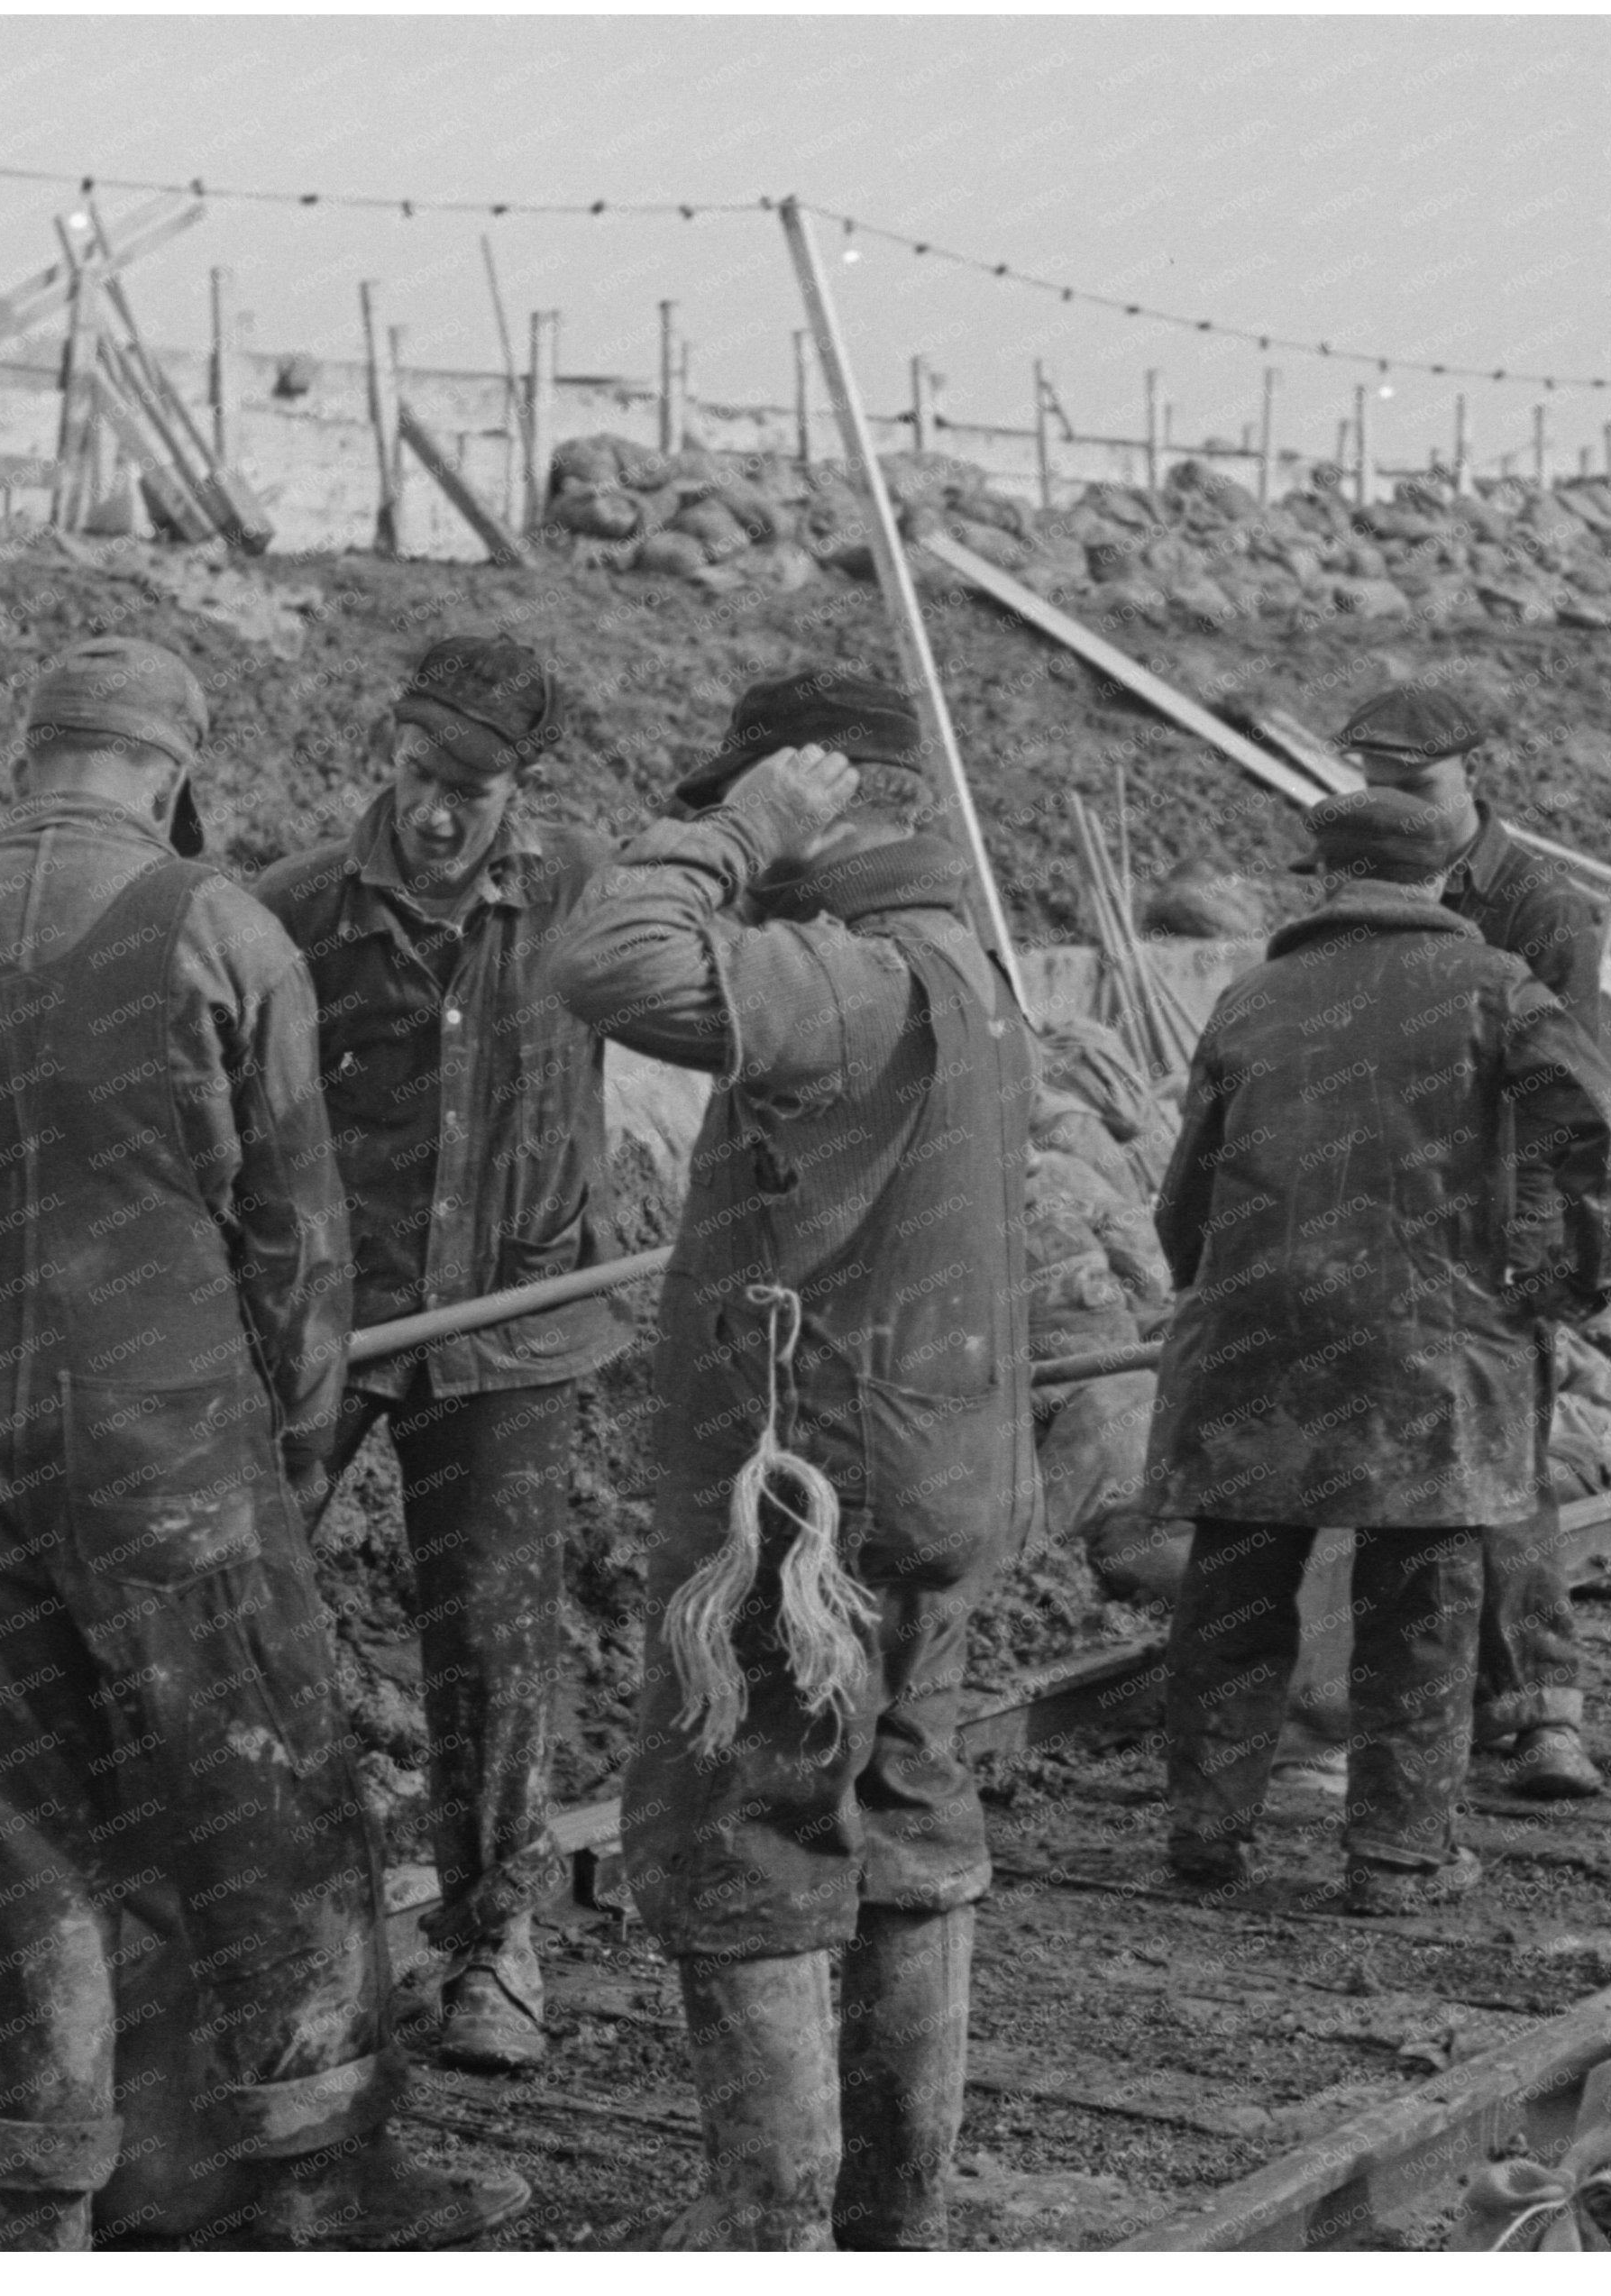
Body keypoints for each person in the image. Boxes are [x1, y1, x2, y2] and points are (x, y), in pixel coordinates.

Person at [0, 636, 525, 2251]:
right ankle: (313, 2178)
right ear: (175, 772)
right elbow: (299, 1246)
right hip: (168, 1436)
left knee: (8, 1805)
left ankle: (32, 2194)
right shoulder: (223, 928)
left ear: (26, 755)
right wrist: (285, 1451)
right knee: (262, 1790)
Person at [549, 671, 1033, 2250]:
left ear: (836, 797)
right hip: (937, 1479)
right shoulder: (964, 963)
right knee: (905, 1807)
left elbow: (611, 959)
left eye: (753, 801)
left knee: (743, 1828)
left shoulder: (857, 976)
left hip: (804, 1515)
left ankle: (770, 2230)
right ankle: (903, 2225)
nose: (735, 836)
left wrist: (746, 827)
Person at [1146, 788, 1611, 1916]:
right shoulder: (1495, 989)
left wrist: (1206, 1293)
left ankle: (1207, 1835)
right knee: (1420, 1595)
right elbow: (1601, 1121)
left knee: (1236, 1581)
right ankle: (1397, 1859)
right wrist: (1575, 1277)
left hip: (1259, 1340)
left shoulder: (1252, 996)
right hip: (1427, 1350)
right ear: (1436, 881)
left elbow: (1187, 1190)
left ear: (1326, 878)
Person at [251, 635, 619, 2073]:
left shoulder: (586, 902)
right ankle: (253, 1930)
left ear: (520, 788)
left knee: (493, 1638)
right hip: (331, 1325)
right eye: (415, 777)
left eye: (470, 790)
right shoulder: (292, 912)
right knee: (250, 1604)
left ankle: (493, 1945)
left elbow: (710, 982)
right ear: (386, 755)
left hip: (513, 1325)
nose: (435, 815)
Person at [1329, 683, 1611, 1800]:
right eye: (1380, 788)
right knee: (1374, 1473)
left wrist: (1550, 1251)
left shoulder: (1536, 911)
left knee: (1504, 1471)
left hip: (1487, 1230)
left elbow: (1578, 1100)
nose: (1397, 807)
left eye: (1416, 788)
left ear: (1470, 776)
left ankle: (1542, 1711)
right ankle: (1386, 1706)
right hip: (1372, 1221)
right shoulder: (1354, 878)